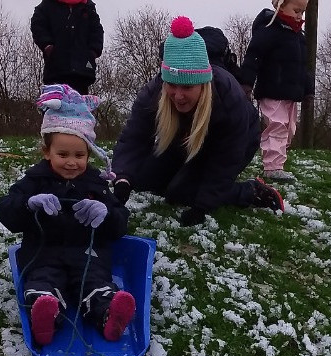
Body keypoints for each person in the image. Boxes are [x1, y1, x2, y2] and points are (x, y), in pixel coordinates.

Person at [111, 16, 284, 228]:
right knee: (144, 179)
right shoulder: (153, 92)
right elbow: (134, 138)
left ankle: (251, 191)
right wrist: (122, 179)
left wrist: (202, 206)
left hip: (237, 139)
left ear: (203, 85)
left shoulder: (228, 97)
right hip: (184, 135)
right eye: (172, 86)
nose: (178, 95)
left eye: (187, 87)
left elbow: (225, 160)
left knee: (181, 192)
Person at [0, 84, 134, 347]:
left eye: (80, 155)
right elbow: (6, 209)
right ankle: (47, 316)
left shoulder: (96, 183)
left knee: (95, 284)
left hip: (87, 254)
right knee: (43, 284)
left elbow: (120, 223)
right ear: (47, 152)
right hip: (44, 252)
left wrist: (105, 213)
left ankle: (108, 316)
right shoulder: (35, 181)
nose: (72, 162)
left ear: (89, 154)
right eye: (63, 154)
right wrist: (29, 205)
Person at [238, 0, 314, 182]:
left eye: (302, 12)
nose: (299, 16)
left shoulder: (299, 37)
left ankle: (276, 161)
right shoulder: (269, 32)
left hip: (291, 93)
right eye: (296, 10)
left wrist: (308, 91)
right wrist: (246, 83)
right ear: (280, 6)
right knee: (277, 125)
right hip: (272, 90)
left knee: (289, 129)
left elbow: (304, 67)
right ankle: (273, 167)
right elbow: (253, 57)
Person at [31, 0, 104, 95]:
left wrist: (92, 52)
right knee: (54, 105)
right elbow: (38, 26)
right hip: (55, 69)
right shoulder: (47, 5)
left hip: (82, 71)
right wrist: (48, 46)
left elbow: (97, 31)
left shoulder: (88, 7)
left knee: (79, 106)